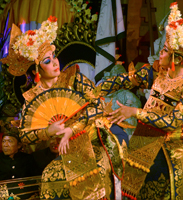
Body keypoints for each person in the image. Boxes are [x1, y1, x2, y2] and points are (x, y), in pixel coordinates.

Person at [0, 16, 129, 200]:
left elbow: (97, 106)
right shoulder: (32, 97)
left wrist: (72, 128)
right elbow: (24, 134)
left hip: (90, 141)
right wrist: (48, 131)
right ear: (36, 70)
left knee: (93, 179)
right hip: (61, 150)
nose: (54, 62)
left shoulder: (73, 78)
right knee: (49, 179)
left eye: (53, 56)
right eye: (47, 61)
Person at [103, 2, 183, 199]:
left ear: (178, 59)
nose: (159, 53)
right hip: (144, 139)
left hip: (175, 145)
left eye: (164, 50)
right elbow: (127, 80)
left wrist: (134, 112)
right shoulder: (158, 71)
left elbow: (173, 121)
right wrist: (95, 90)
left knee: (162, 176)